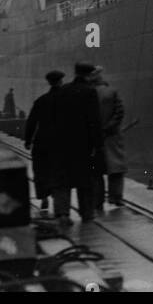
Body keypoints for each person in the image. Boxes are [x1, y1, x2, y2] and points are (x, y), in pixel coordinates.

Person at [49, 62, 104, 228]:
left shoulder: (63, 90)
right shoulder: (90, 92)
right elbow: (94, 120)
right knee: (85, 181)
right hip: (84, 145)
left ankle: (63, 213)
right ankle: (86, 213)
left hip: (64, 144)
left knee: (64, 181)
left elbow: (55, 117)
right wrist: (98, 144)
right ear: (88, 75)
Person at [24, 71, 64, 214]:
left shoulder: (41, 101)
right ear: (61, 81)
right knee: (60, 171)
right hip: (62, 141)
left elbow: (32, 122)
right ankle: (59, 200)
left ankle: (44, 197)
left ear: (49, 82)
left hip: (43, 141)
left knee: (41, 171)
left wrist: (28, 140)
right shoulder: (67, 100)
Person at [91, 67, 128, 210]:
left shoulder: (87, 93)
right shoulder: (112, 92)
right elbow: (120, 112)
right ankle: (116, 198)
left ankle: (97, 201)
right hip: (111, 136)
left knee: (96, 172)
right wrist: (108, 128)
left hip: (94, 138)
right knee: (116, 169)